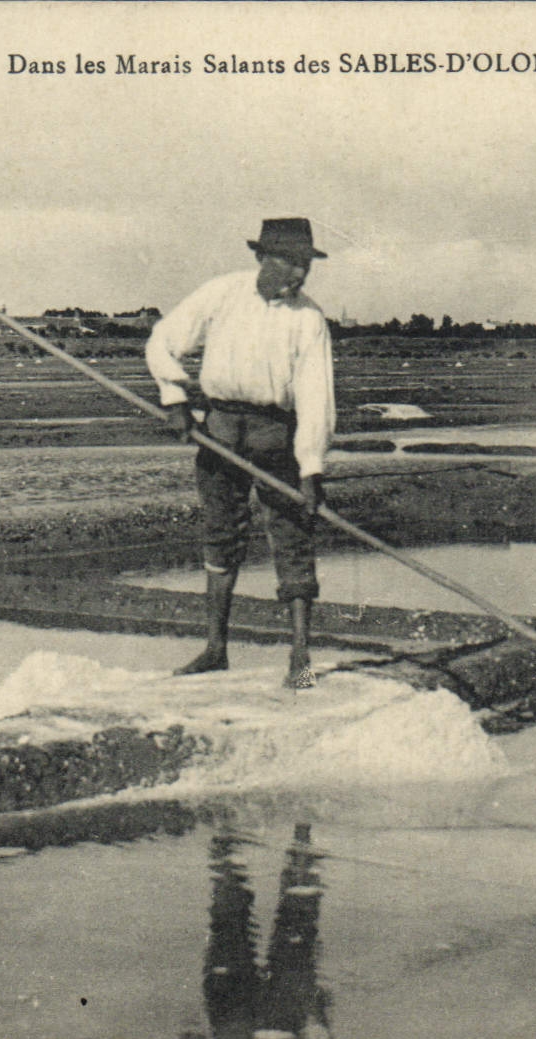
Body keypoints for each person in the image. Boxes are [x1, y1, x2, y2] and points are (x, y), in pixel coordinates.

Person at [146, 218, 336, 688]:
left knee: (292, 534)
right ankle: (215, 649)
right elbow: (164, 341)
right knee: (221, 533)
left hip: (277, 436)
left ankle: (301, 658)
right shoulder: (222, 293)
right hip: (221, 430)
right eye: (289, 263)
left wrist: (311, 467)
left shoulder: (309, 319)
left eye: (304, 265)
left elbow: (316, 397)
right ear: (261, 258)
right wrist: (174, 399)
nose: (298, 275)